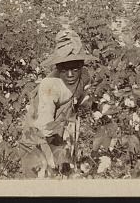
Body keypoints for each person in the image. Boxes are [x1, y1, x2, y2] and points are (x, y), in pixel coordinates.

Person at [19, 29, 96, 178]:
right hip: (38, 133)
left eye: (75, 69)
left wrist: (98, 109)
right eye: (64, 70)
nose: (70, 75)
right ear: (57, 67)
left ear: (82, 65)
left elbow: (83, 98)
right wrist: (61, 158)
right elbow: (46, 126)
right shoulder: (50, 85)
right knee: (39, 175)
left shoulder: (84, 76)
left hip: (62, 128)